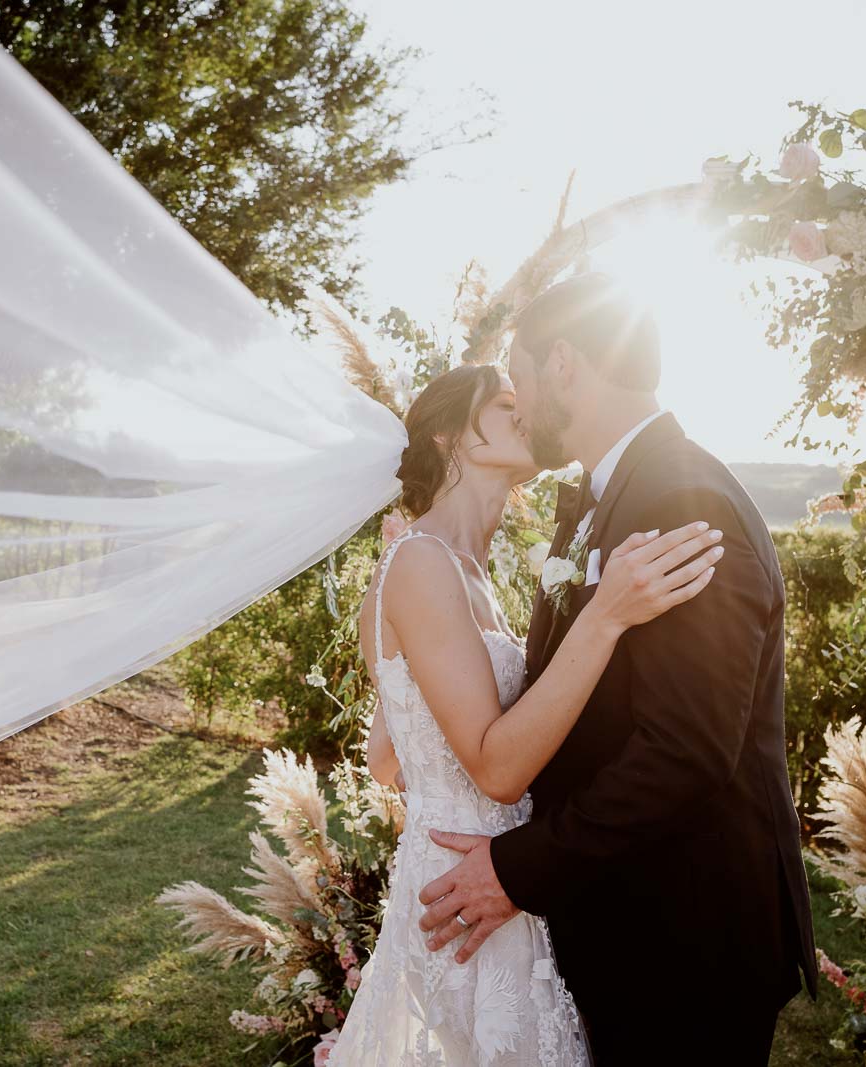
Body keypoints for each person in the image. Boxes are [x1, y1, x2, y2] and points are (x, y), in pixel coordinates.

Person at [412, 274, 816, 1065]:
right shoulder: (613, 492)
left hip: (687, 936)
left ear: (564, 363)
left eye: (520, 377)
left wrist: (520, 868)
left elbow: (687, 747)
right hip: (627, 910)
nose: (519, 402)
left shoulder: (680, 495)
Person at [329, 356, 724, 1066]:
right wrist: (604, 617)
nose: (525, 413)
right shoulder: (422, 563)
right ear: (450, 436)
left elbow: (386, 760)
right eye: (505, 404)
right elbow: (497, 769)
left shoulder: (464, 568)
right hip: (470, 899)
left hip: (494, 881)